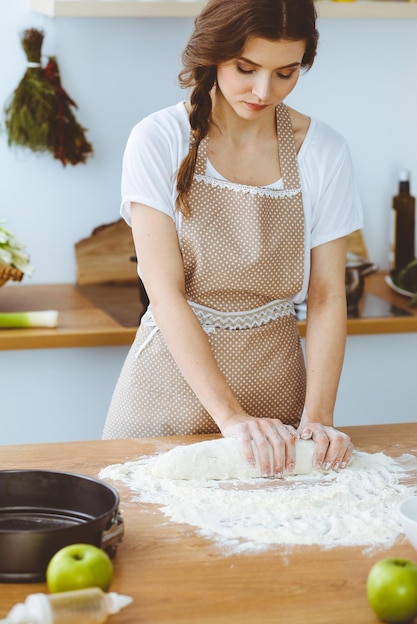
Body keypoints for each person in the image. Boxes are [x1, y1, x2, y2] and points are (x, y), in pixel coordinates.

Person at [103, 0, 363, 478]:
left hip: (278, 386)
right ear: (215, 55)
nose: (264, 91)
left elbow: (327, 297)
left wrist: (319, 418)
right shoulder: (158, 138)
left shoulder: (324, 150)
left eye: (286, 73)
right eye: (246, 69)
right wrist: (232, 417)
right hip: (167, 386)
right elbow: (164, 292)